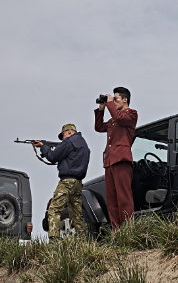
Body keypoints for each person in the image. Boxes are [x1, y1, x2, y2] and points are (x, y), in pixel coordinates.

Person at [33, 123, 90, 240]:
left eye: (63, 135)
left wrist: (44, 147)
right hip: (78, 183)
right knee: (77, 215)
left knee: (54, 209)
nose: (63, 139)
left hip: (67, 182)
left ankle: (54, 241)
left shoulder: (69, 142)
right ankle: (84, 242)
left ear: (69, 132)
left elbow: (53, 157)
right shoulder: (84, 144)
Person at [94, 86, 137, 229]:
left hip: (122, 160)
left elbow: (120, 118)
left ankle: (127, 229)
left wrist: (110, 103)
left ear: (125, 100)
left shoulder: (131, 114)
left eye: (116, 98)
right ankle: (116, 232)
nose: (113, 101)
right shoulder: (114, 120)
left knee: (124, 197)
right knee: (111, 200)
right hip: (110, 161)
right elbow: (99, 127)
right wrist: (101, 110)